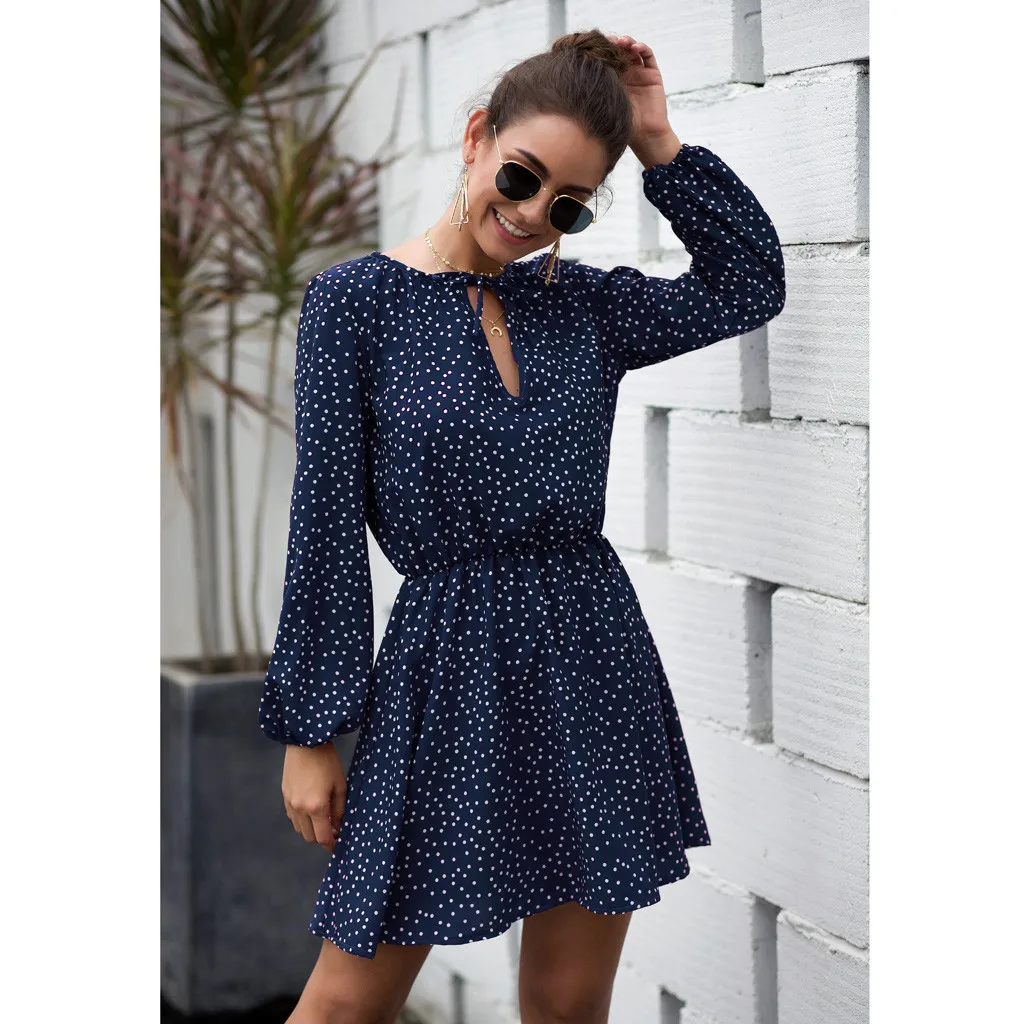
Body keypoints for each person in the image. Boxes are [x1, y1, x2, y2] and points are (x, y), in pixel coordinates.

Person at [258, 27, 785, 1024]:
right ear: (476, 138)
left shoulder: (586, 307)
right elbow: (321, 522)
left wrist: (660, 144)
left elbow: (748, 282)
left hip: (591, 659)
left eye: (570, 204)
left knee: (566, 1003)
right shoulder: (353, 305)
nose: (535, 213)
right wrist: (312, 730)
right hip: (445, 665)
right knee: (343, 1005)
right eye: (521, 175)